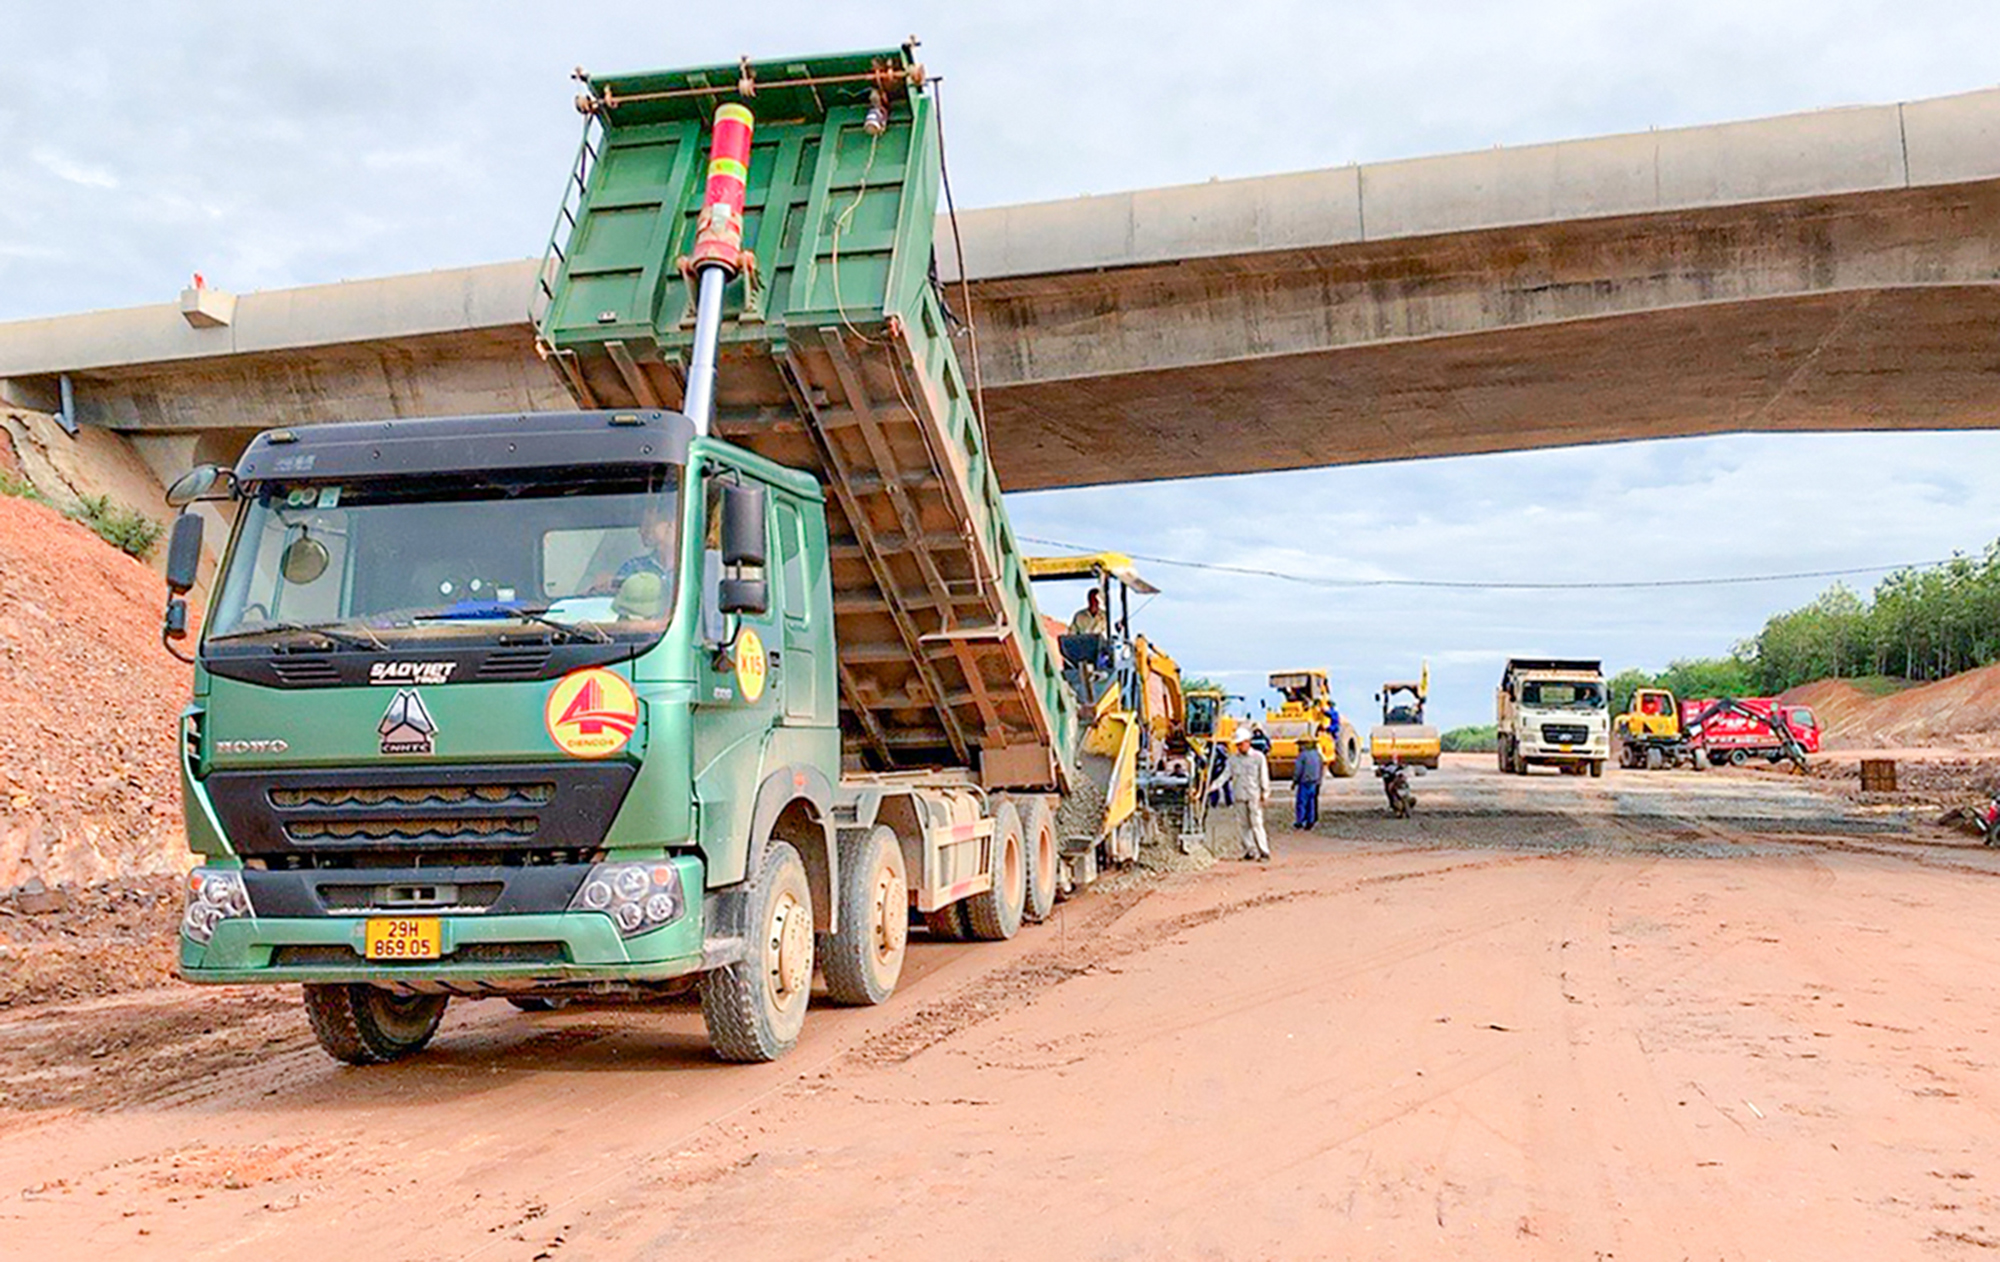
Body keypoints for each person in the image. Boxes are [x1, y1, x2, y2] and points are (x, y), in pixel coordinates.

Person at [1228, 728, 1272, 862]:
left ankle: (1264, 851)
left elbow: (1263, 776)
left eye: (1241, 744)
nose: (1239, 747)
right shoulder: (1233, 760)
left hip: (1254, 796)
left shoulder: (1258, 757)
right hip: (1240, 795)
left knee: (1257, 824)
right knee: (1243, 825)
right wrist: (1209, 788)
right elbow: (1225, 775)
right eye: (1238, 744)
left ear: (1248, 742)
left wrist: (1265, 792)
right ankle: (1250, 850)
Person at [1292, 737, 1325, 831]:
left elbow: (1298, 770)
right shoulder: (1318, 755)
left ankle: (1300, 821)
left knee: (1301, 802)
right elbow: (1321, 769)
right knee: (1311, 802)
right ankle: (1310, 821)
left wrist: (1294, 781)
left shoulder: (1302, 756)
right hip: (1314, 782)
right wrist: (1319, 781)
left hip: (1304, 782)